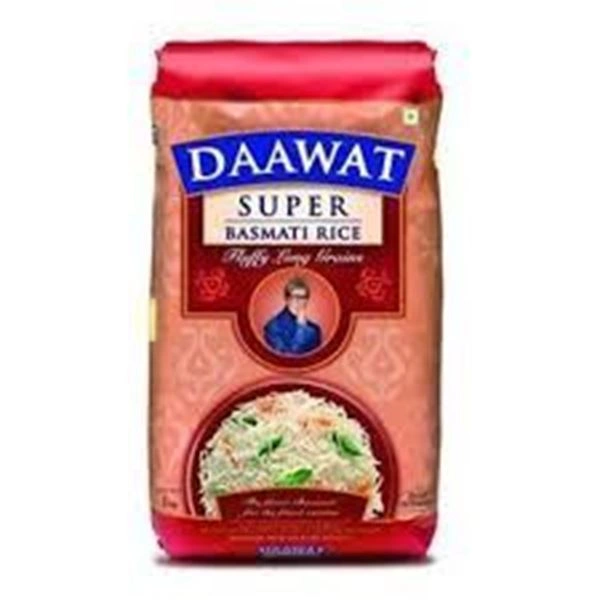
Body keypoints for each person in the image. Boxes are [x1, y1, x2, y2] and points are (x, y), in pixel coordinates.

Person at [264, 277, 322, 355]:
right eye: (295, 297)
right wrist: (301, 327)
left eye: (303, 297)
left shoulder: (314, 330)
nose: (299, 301)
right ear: (287, 299)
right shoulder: (273, 326)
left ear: (307, 300)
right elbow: (289, 355)